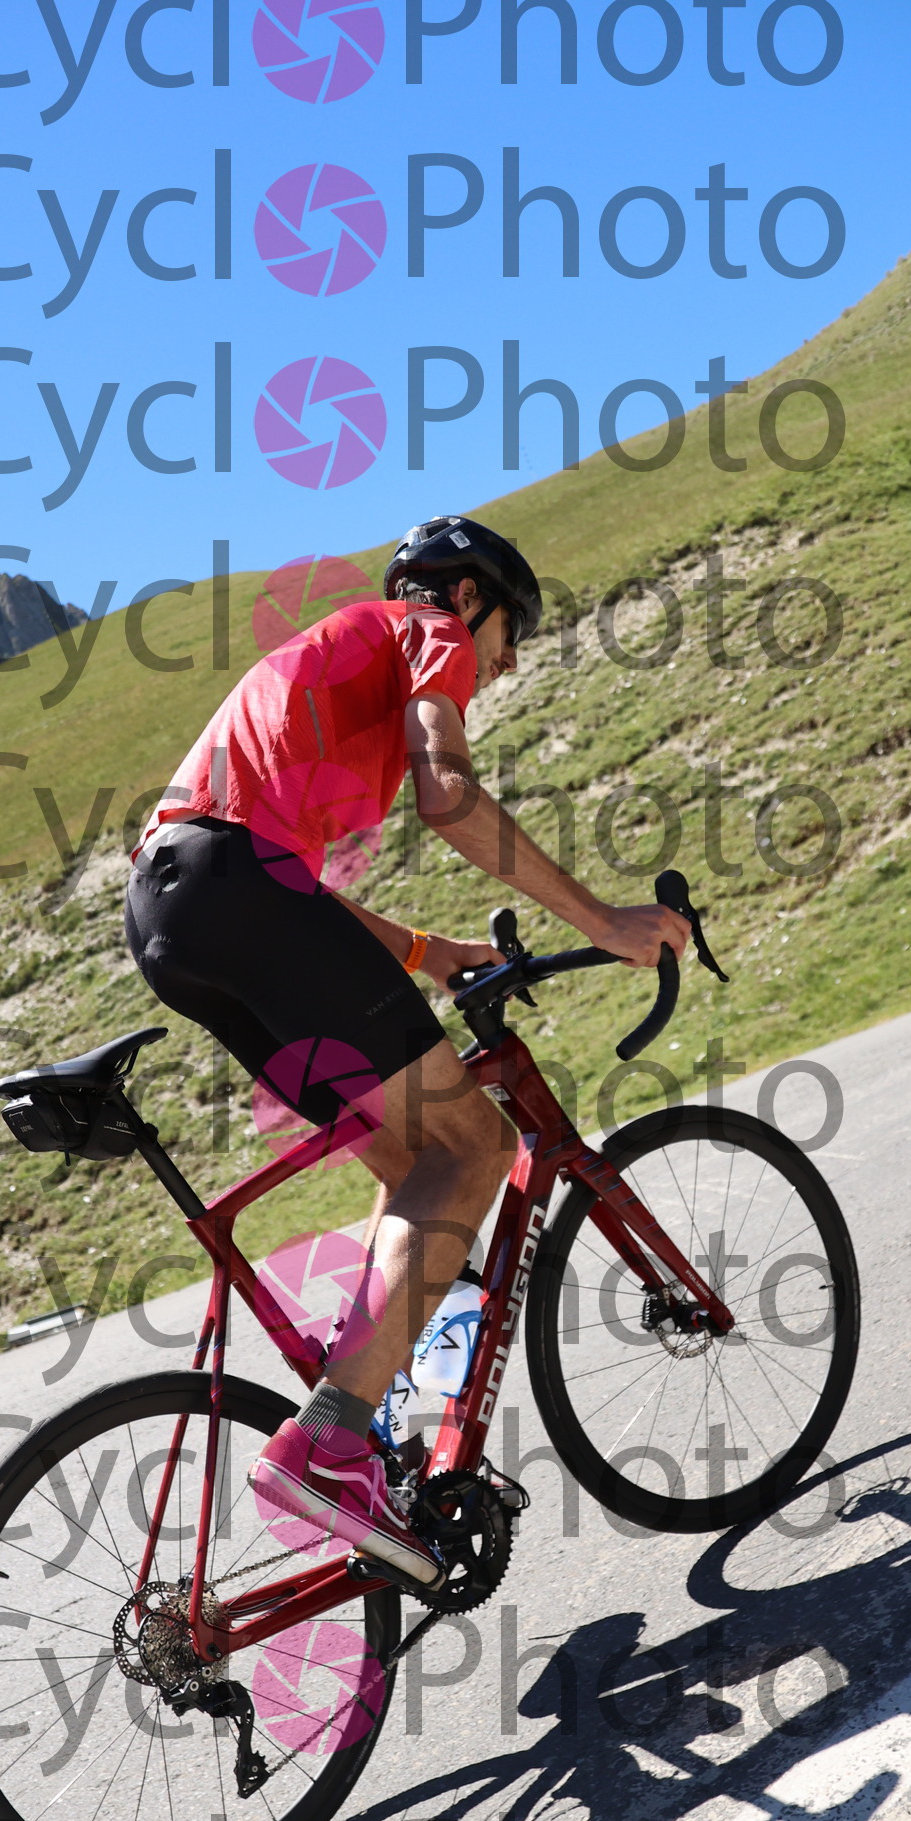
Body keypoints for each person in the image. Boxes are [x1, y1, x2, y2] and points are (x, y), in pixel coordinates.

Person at [124, 516, 690, 1594]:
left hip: (172, 911)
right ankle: (331, 1440)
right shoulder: (425, 630)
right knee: (476, 1150)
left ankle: (371, 1412)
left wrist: (430, 954)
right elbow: (448, 794)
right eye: (511, 633)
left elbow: (283, 883)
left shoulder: (339, 672)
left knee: (412, 1160)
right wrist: (604, 919)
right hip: (238, 891)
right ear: (468, 598)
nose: (506, 663)